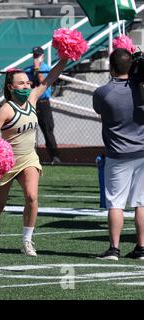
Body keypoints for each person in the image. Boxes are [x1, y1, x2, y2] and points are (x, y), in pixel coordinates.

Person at [0, 58, 67, 258]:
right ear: (10, 87)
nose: (26, 85)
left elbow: (50, 79)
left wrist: (64, 58)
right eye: (20, 83)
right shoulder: (6, 109)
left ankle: (27, 240)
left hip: (29, 158)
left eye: (27, 82)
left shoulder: (32, 99)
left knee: (32, 197)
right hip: (6, 163)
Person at [93, 48, 144, 260]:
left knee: (116, 203)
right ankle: (141, 248)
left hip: (117, 154)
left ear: (111, 66)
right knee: (141, 202)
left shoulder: (103, 92)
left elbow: (100, 111)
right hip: (142, 151)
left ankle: (114, 248)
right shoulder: (140, 89)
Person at [25, 46, 61, 164]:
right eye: (34, 55)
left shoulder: (46, 68)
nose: (35, 58)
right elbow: (27, 85)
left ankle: (55, 157)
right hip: (32, 103)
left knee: (48, 130)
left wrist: (37, 69)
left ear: (43, 56)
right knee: (28, 131)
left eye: (38, 55)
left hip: (44, 103)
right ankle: (29, 157)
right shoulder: (27, 70)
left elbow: (43, 83)